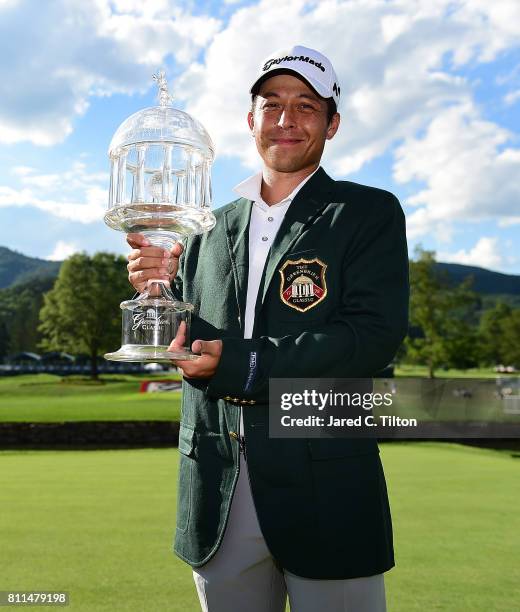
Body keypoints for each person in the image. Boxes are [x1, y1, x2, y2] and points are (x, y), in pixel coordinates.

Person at [126, 45, 409, 612]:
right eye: (271, 103)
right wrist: (158, 290)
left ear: (333, 123)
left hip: (325, 487)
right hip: (217, 490)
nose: (286, 119)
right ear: (250, 119)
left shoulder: (367, 213)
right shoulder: (205, 223)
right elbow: (192, 337)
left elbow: (370, 338)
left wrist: (243, 363)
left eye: (306, 105)